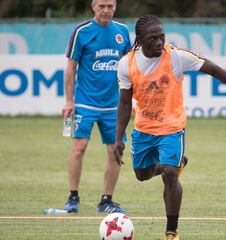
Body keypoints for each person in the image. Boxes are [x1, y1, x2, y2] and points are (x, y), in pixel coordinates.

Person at [114, 15, 226, 240]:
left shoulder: (176, 57)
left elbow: (212, 69)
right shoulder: (127, 63)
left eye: (161, 37)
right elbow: (125, 103)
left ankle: (171, 231)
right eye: (152, 38)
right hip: (144, 128)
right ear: (140, 40)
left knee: (170, 175)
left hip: (173, 127)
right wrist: (119, 138)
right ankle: (174, 164)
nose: (159, 42)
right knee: (142, 175)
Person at [62, 0, 131, 214]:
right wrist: (69, 100)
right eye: (101, 6)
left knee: (115, 151)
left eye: (110, 6)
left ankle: (106, 200)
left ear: (115, 7)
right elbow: (70, 68)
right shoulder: (81, 31)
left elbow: (130, 68)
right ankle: (73, 197)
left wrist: (132, 101)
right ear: (93, 6)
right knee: (79, 147)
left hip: (113, 106)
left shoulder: (122, 31)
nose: (106, 10)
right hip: (84, 103)